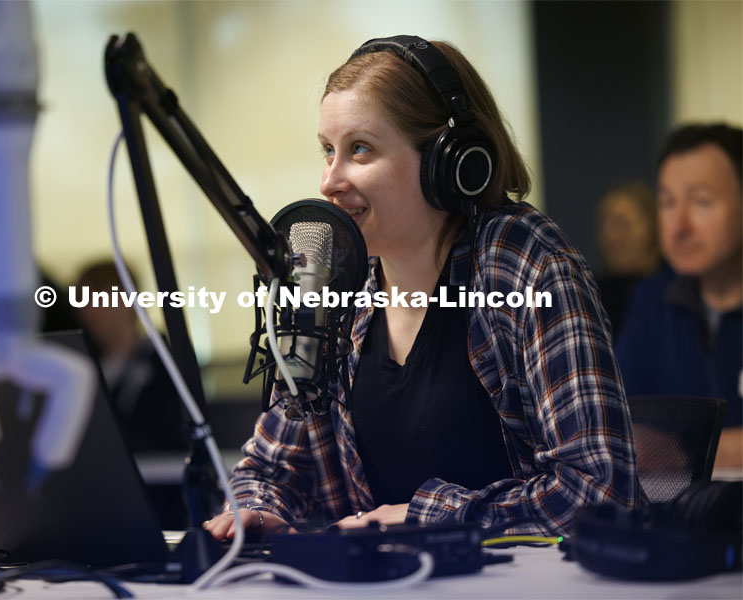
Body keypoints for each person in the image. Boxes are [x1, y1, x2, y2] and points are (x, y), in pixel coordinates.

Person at [203, 36, 640, 540]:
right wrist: (256, 509)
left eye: (359, 149)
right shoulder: (329, 285)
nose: (329, 180)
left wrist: (426, 515)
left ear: (448, 164)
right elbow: (270, 470)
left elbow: (602, 492)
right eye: (327, 150)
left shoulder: (523, 260)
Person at [617, 124, 742, 469]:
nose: (679, 225)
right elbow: (619, 429)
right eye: (668, 202)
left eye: (702, 201)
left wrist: (681, 451)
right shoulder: (652, 298)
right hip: (678, 515)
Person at [74, 261, 187, 453]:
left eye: (99, 298)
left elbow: (167, 435)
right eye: (82, 300)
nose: (89, 310)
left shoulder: (166, 365)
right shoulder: (80, 366)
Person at [594, 182, 662, 338]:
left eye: (622, 224)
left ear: (653, 227)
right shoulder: (592, 296)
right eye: (604, 224)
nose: (610, 235)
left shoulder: (676, 294)